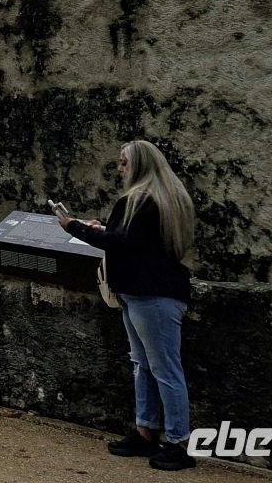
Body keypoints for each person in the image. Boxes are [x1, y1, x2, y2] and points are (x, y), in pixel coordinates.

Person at [59, 140, 196, 472]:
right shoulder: (158, 200)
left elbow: (123, 243)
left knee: (163, 368)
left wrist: (74, 227)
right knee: (144, 365)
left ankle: (177, 441)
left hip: (153, 295)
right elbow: (133, 240)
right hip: (141, 293)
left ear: (139, 166)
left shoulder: (143, 201)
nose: (119, 169)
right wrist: (102, 228)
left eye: (123, 163)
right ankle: (145, 429)